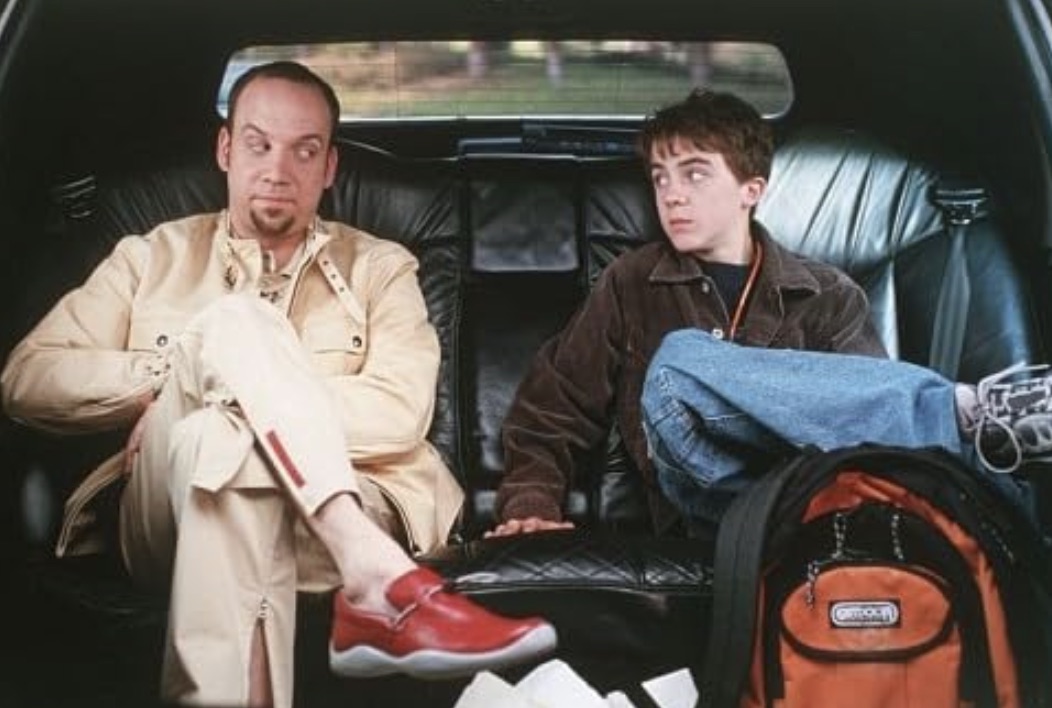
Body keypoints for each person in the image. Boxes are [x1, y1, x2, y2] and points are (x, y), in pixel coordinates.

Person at [1, 61, 555, 708]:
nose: (278, 169)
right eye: (259, 143)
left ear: (330, 168)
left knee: (219, 446)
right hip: (162, 512)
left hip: (360, 496)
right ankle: (374, 576)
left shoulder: (381, 268)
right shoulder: (149, 255)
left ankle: (350, 558)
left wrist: (224, 411)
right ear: (225, 149)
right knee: (230, 328)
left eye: (305, 150)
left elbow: (399, 410)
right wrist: (179, 374)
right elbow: (27, 377)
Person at [489, 88, 1049, 540]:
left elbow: (869, 435)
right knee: (680, 360)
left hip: (813, 498)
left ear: (750, 189)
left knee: (708, 367)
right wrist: (532, 504)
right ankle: (968, 416)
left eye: (694, 173)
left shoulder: (828, 294)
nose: (672, 195)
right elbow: (552, 407)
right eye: (660, 177)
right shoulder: (633, 282)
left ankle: (992, 468)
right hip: (709, 502)